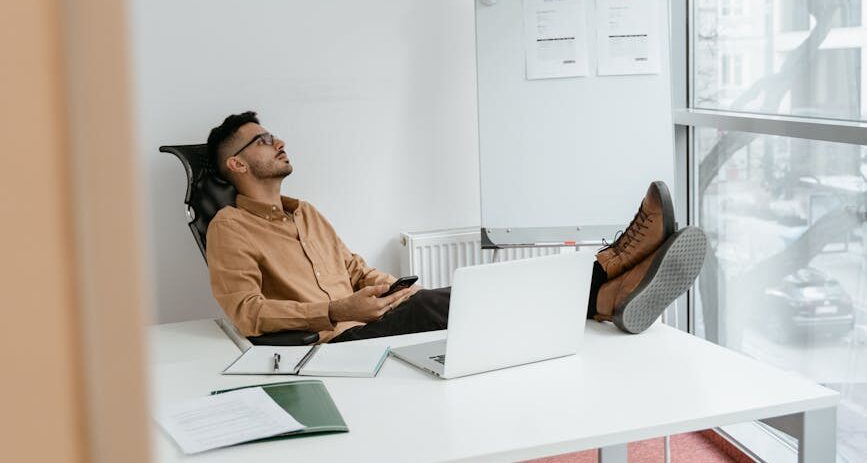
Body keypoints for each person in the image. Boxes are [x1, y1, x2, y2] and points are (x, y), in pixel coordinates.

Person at [205, 111, 706, 342]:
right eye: (264, 139)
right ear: (238, 166)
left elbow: (354, 269)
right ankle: (605, 275)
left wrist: (390, 290)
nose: (279, 141)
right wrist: (336, 309)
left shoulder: (306, 212)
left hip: (371, 316)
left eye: (273, 133)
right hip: (335, 342)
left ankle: (604, 294)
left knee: (464, 292)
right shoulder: (229, 228)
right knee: (462, 298)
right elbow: (247, 313)